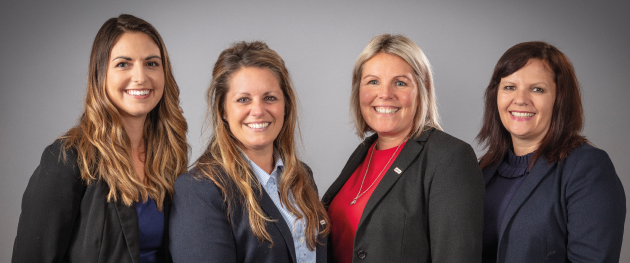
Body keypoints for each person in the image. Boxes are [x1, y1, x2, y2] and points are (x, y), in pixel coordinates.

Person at [12, 14, 188, 263]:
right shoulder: (67, 159)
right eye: (123, 64)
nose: (140, 77)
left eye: (151, 63)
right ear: (100, 74)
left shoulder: (170, 155)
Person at [321, 34, 484, 263]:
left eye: (400, 83)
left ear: (422, 89)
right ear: (358, 89)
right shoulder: (362, 155)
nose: (385, 94)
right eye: (373, 81)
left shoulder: (450, 158)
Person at [169, 41, 330, 263]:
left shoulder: (301, 176)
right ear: (223, 110)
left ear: (286, 105)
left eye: (270, 98)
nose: (258, 111)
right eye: (243, 99)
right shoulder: (199, 190)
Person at [477, 41, 626, 263]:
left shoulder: (588, 168)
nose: (520, 100)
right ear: (495, 95)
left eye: (537, 89)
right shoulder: (484, 169)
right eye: (510, 87)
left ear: (560, 100)